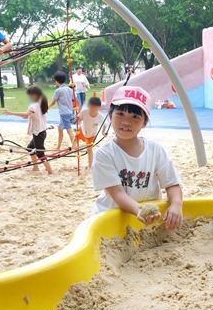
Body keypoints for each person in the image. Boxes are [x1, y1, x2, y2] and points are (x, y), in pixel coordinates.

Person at [92, 86, 183, 230]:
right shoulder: (104, 154)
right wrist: (139, 210)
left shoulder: (155, 150)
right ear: (110, 116)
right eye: (120, 114)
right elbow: (117, 193)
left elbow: (172, 183)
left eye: (135, 117)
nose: (126, 122)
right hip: (113, 216)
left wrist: (176, 204)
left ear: (145, 122)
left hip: (148, 219)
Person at [3, 86, 52, 175]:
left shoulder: (34, 105)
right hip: (42, 131)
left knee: (40, 153)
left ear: (34, 95)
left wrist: (10, 113)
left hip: (38, 132)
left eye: (29, 95)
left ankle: (50, 171)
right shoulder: (42, 102)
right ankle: (35, 167)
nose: (29, 97)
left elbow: (25, 115)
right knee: (30, 148)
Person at [76, 96, 107, 169]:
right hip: (82, 130)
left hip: (92, 135)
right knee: (75, 143)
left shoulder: (100, 116)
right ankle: (77, 148)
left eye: (95, 108)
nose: (93, 110)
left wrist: (103, 132)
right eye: (91, 107)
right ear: (88, 106)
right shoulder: (84, 112)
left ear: (99, 108)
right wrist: (77, 119)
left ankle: (90, 165)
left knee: (89, 150)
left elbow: (104, 125)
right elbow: (79, 119)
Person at [48, 71, 77, 151]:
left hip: (64, 113)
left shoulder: (58, 91)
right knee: (60, 128)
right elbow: (73, 100)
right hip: (70, 112)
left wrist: (47, 108)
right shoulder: (70, 89)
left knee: (69, 131)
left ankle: (75, 147)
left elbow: (53, 102)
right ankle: (58, 146)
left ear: (56, 81)